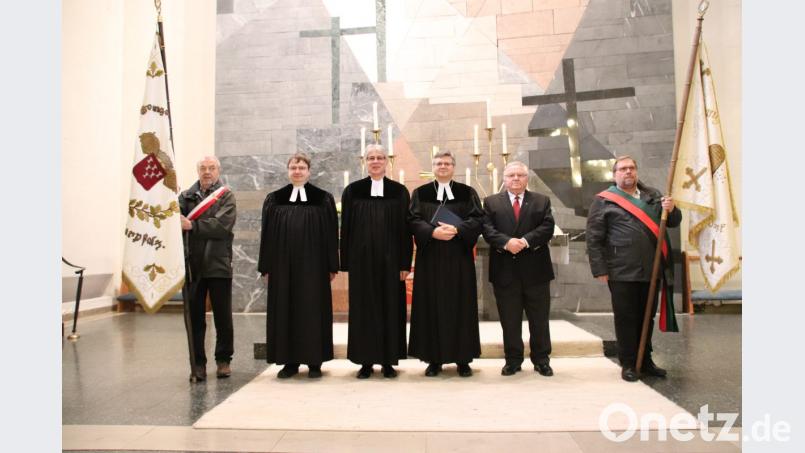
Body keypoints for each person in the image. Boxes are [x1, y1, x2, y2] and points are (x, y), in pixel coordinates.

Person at [586, 155, 681, 382]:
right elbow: (594, 238)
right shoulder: (604, 200)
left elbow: (673, 221)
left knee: (646, 317)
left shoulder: (653, 196)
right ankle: (628, 362)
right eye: (623, 169)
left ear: (636, 172)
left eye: (631, 168)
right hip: (621, 270)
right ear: (614, 174)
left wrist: (673, 209)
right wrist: (600, 269)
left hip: (651, 268)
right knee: (626, 317)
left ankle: (645, 360)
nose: (628, 172)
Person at [257, 153, 339, 379]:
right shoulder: (274, 199)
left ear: (309, 171)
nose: (297, 171)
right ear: (288, 170)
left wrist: (332, 265)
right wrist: (266, 267)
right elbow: (267, 235)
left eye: (302, 167)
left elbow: (332, 234)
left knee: (313, 310)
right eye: (293, 167)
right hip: (283, 267)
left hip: (314, 267)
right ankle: (289, 362)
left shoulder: (323, 198)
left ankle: (315, 361)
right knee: (286, 309)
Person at [408, 150, 483, 377]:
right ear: (432, 167)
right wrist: (433, 233)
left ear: (453, 167)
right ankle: (434, 359)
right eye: (438, 163)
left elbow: (478, 218)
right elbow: (412, 219)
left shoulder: (467, 192)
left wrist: (458, 229)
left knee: (461, 305)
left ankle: (463, 359)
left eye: (447, 163)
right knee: (431, 305)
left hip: (459, 259)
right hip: (430, 260)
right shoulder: (420, 193)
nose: (442, 166)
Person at [340, 144, 413, 379]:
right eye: (371, 158)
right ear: (365, 162)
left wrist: (405, 263)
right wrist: (346, 262)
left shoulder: (399, 192)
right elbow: (347, 228)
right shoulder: (352, 191)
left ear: (386, 162)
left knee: (391, 308)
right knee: (364, 310)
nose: (375, 161)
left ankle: (388, 361)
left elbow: (405, 230)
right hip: (361, 263)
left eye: (380, 157)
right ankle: (365, 361)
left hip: (392, 263)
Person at [482, 161, 555, 377]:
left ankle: (541, 359)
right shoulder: (491, 202)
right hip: (505, 271)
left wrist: (523, 241)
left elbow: (547, 227)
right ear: (504, 179)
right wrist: (506, 242)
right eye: (511, 175)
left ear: (527, 178)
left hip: (536, 271)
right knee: (510, 319)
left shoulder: (542, 201)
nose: (515, 179)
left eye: (520, 175)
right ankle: (513, 360)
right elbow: (487, 229)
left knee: (539, 319)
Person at [178, 156, 237, 382]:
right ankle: (198, 364)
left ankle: (223, 360)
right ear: (197, 170)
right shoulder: (185, 197)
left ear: (218, 171)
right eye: (203, 168)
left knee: (223, 316)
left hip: (219, 263)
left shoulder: (226, 196)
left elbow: (222, 226)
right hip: (192, 265)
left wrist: (193, 225)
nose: (207, 172)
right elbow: (174, 220)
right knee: (194, 318)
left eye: (211, 168)